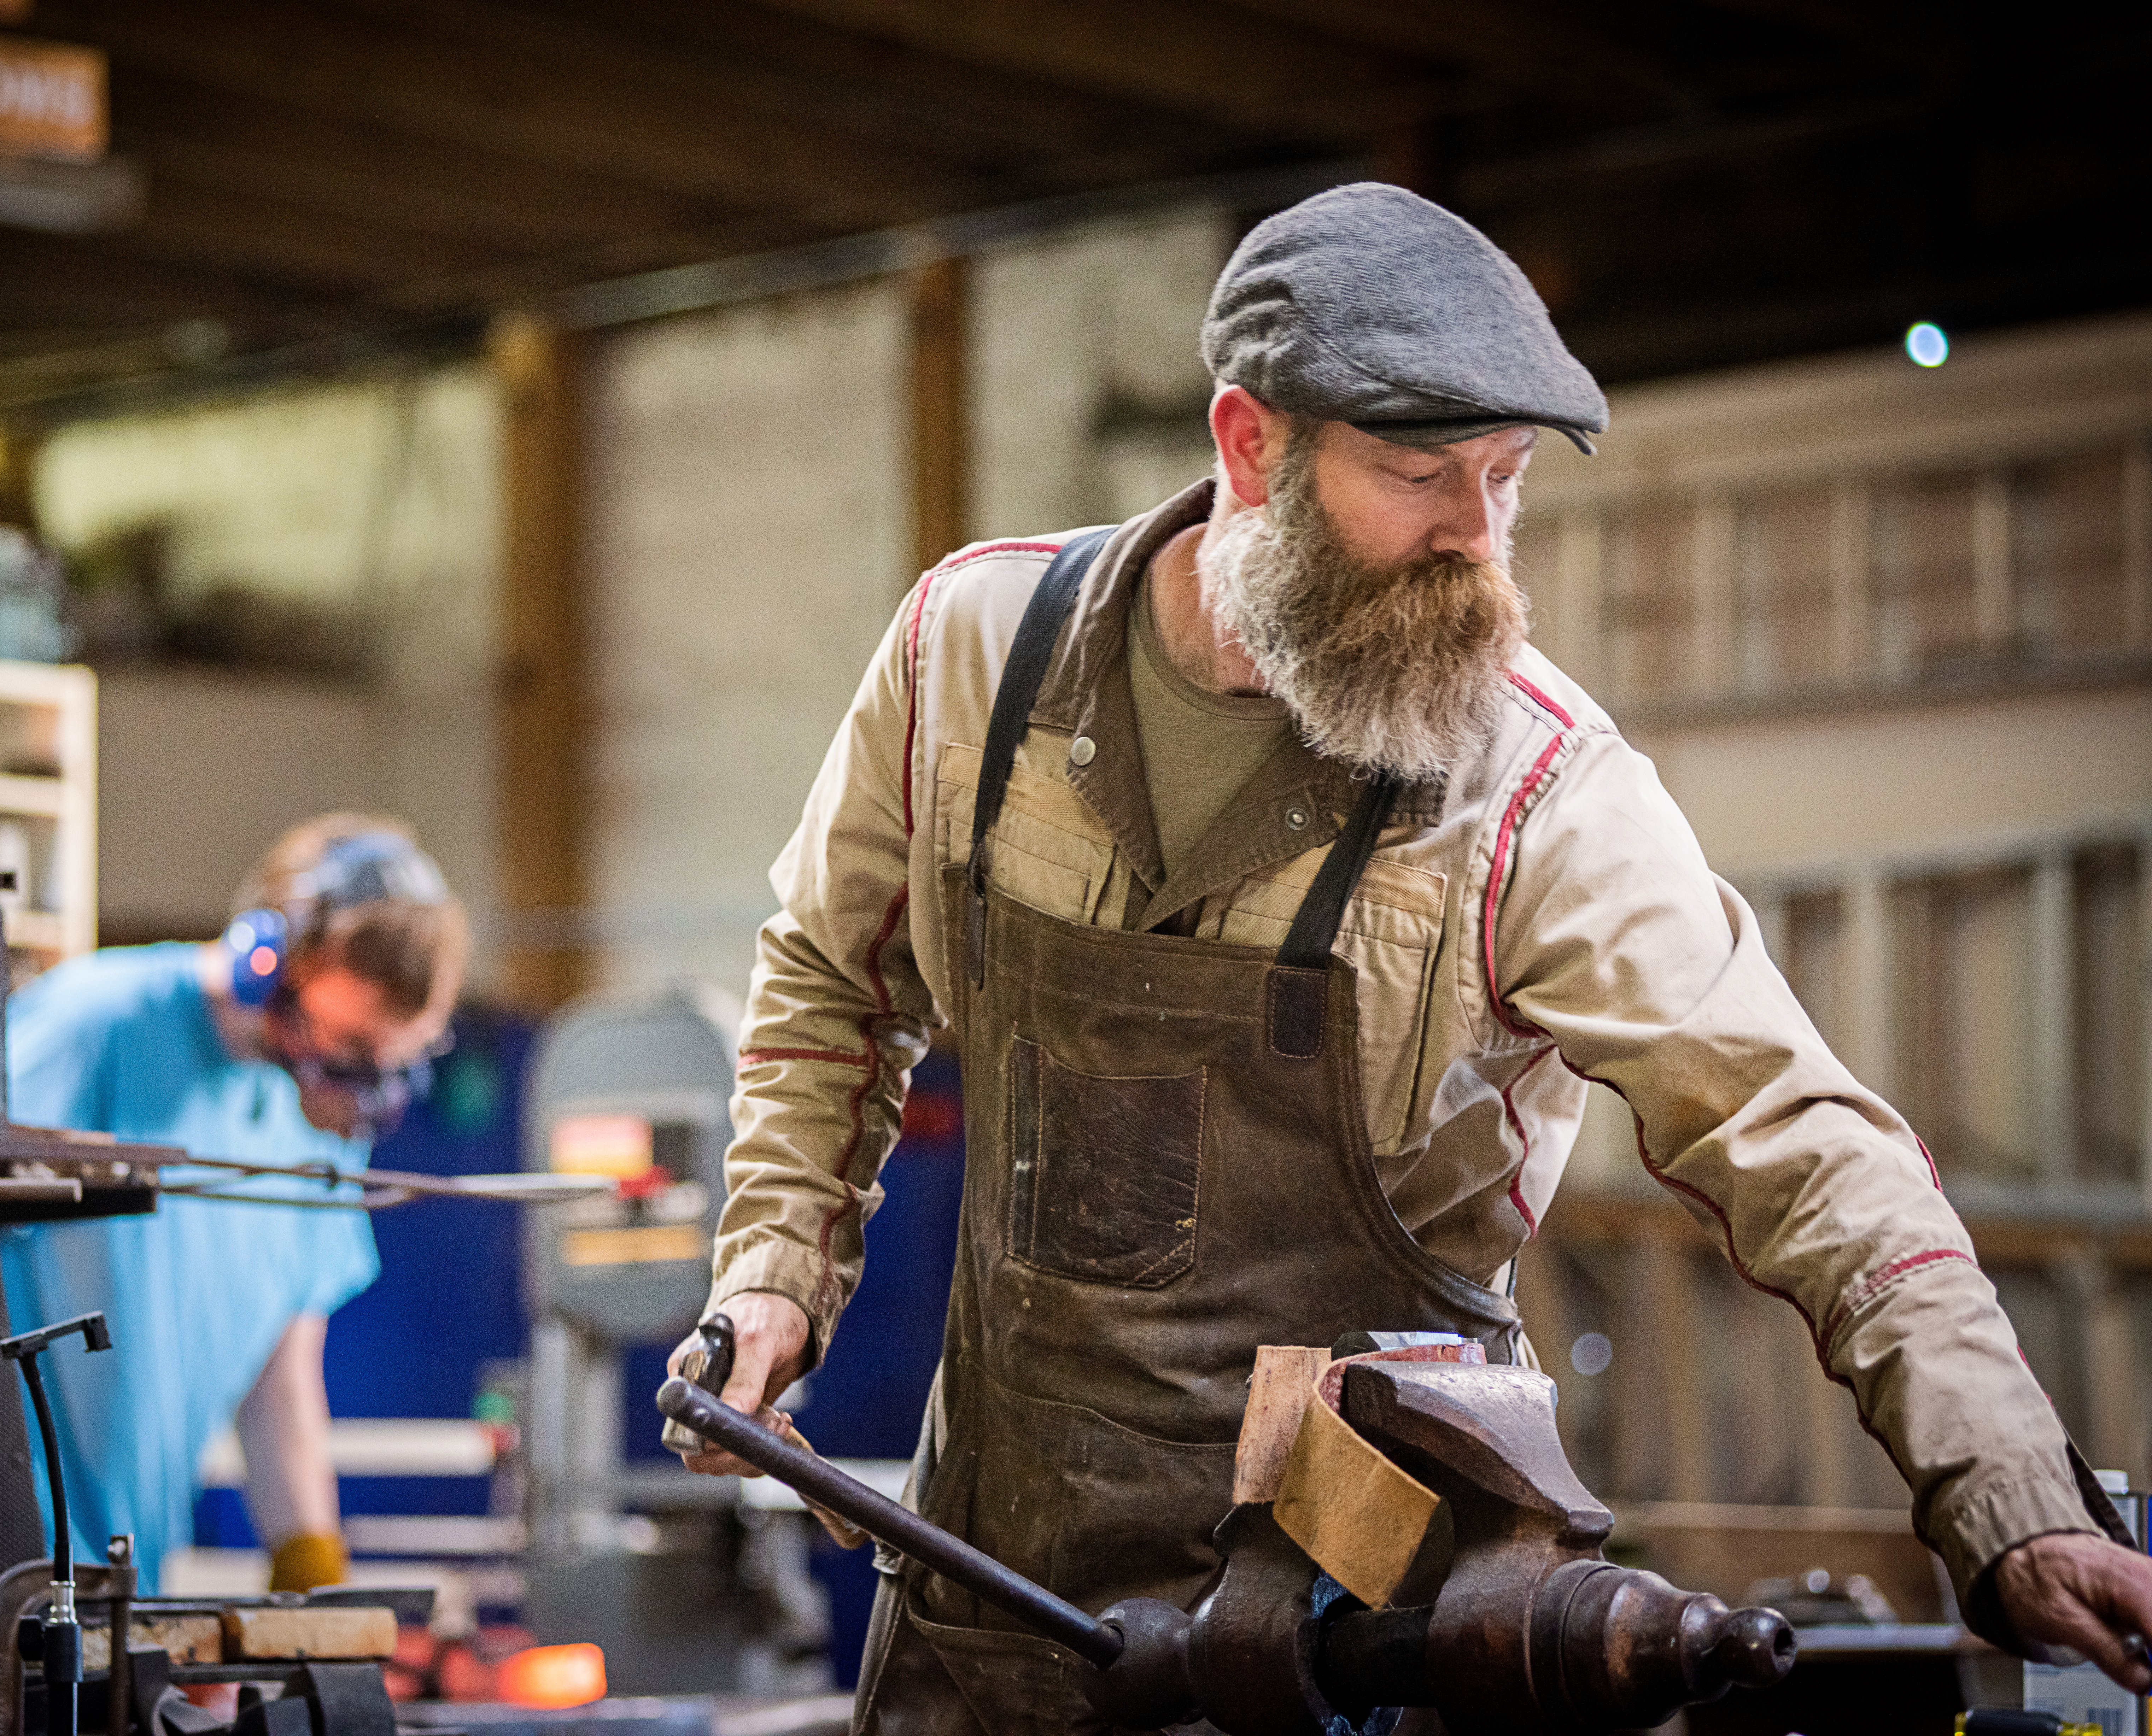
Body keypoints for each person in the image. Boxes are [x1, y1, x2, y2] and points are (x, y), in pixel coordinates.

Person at [678, 182, 2152, 1730]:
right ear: (1249, 444)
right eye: (1416, 472)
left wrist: (2007, 1486)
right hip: (994, 1607)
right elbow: (831, 975)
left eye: (1505, 479)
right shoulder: (970, 656)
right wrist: (777, 1268)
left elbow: (1801, 1138)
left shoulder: (1537, 792)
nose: (1472, 535)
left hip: (1355, 1647)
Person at [0, 813, 467, 1593]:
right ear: (264, 962)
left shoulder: (312, 1116)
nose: (358, 1094)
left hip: (126, 1578)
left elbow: (280, 1373)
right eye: (348, 1052)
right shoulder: (92, 1027)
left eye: (390, 1063)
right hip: (2, 1555)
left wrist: (313, 1583)